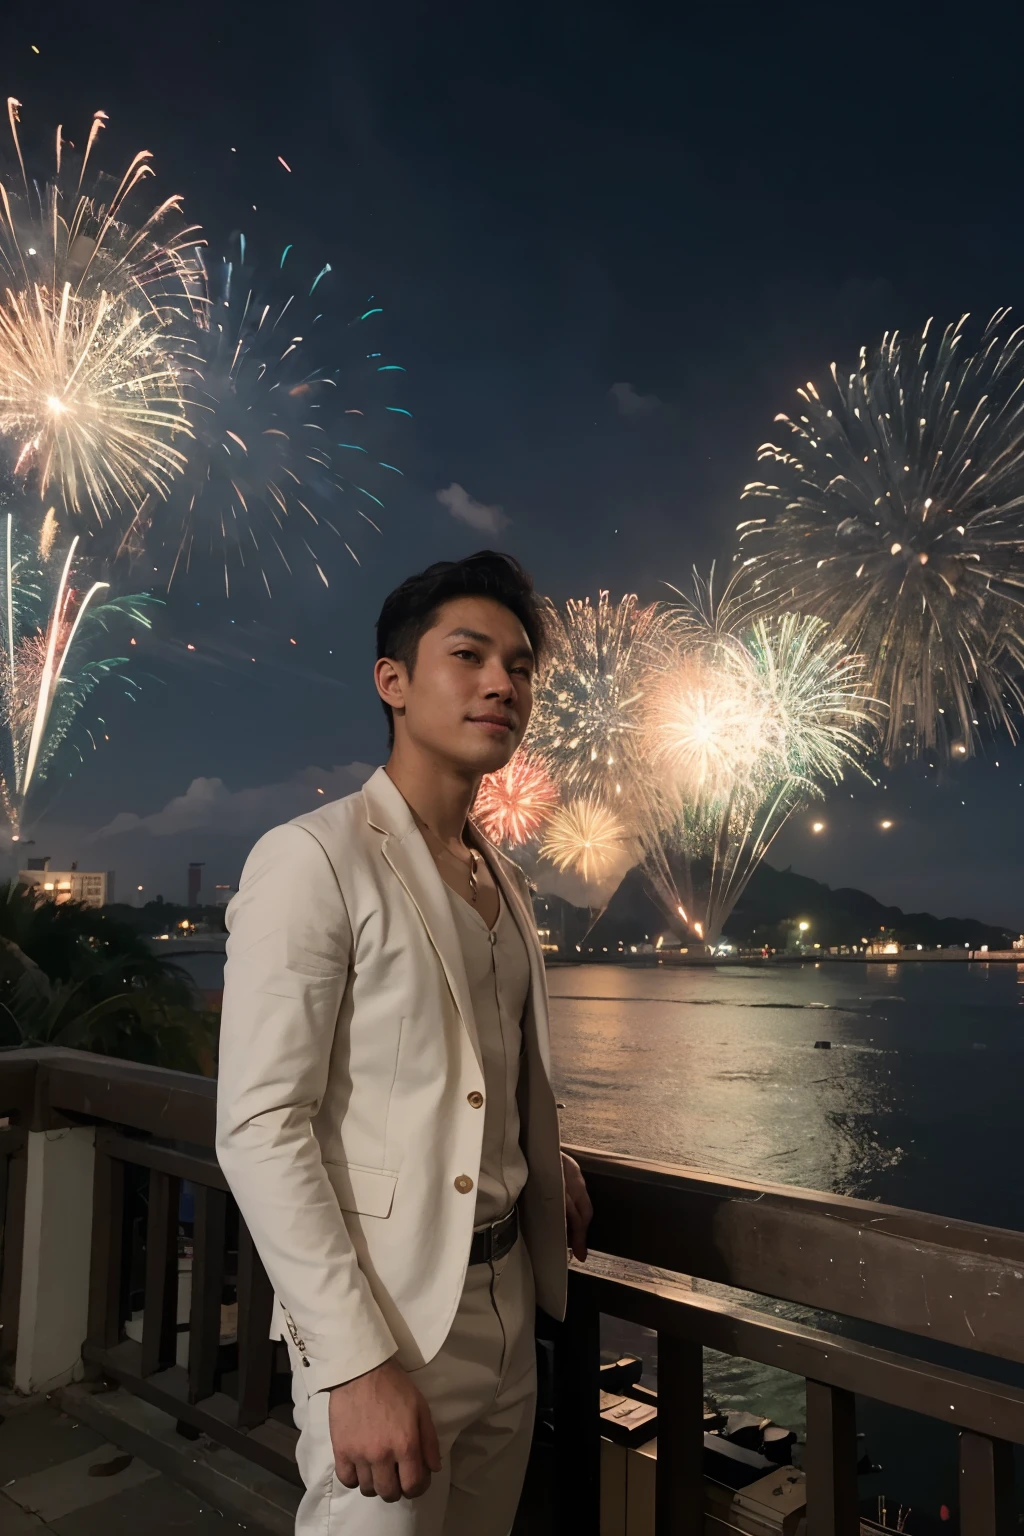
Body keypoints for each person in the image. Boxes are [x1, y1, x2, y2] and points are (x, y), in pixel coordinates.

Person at [216, 549, 593, 1535]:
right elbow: (260, 1124)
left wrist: (534, 1162)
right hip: (391, 1313)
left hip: (511, 1302)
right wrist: (352, 1361)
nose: (501, 684)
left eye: (518, 667)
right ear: (391, 681)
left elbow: (465, 1069)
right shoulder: (311, 859)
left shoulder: (499, 877)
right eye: (467, 655)